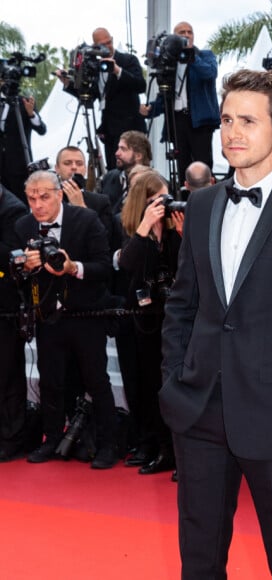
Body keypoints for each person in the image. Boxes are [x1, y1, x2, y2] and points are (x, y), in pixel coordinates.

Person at [160, 69, 272, 579]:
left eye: (248, 121)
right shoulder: (200, 205)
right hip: (197, 408)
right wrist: (174, 380)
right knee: (198, 558)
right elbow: (182, 304)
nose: (232, 133)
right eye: (225, 120)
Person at [13, 170, 118, 469]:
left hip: (87, 314)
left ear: (59, 194)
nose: (37, 205)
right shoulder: (23, 226)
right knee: (51, 382)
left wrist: (73, 267)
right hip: (49, 317)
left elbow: (104, 268)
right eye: (31, 198)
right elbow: (16, 279)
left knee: (96, 380)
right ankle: (51, 439)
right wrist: (26, 268)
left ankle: (108, 445)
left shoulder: (85, 220)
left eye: (44, 197)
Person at [118, 170, 181, 476]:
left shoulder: (174, 231)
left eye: (165, 198)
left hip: (169, 321)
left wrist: (182, 235)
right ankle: (149, 443)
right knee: (140, 385)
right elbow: (126, 265)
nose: (162, 206)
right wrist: (144, 228)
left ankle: (171, 449)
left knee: (165, 388)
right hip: (139, 320)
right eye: (156, 199)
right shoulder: (130, 229)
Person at [55, 27, 146, 171]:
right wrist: (68, 83)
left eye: (109, 42)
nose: (107, 46)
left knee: (134, 171)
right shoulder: (96, 66)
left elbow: (140, 85)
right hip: (109, 129)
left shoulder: (128, 60)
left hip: (130, 129)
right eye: (102, 45)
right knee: (113, 172)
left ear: (113, 40)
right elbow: (90, 96)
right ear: (95, 47)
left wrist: (117, 70)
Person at [140, 21, 220, 184]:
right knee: (182, 165)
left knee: (203, 164)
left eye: (189, 32)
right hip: (177, 121)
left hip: (199, 121)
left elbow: (209, 73)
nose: (186, 35)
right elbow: (165, 95)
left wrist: (191, 56)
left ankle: (207, 199)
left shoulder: (204, 55)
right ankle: (184, 201)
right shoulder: (170, 60)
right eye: (181, 32)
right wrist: (151, 109)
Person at [0, 184, 29, 461]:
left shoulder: (13, 209)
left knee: (8, 375)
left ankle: (12, 439)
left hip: (7, 304)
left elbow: (10, 255)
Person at [54, 145, 113, 241]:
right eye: (67, 163)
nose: (74, 167)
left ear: (85, 169)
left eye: (79, 163)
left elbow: (106, 238)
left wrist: (82, 207)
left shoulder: (101, 202)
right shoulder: (49, 200)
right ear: (57, 168)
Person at [0, 89, 47, 203]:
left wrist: (31, 114)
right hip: (1, 168)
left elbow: (42, 129)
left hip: (19, 166)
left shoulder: (23, 102)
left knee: (21, 204)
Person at [99, 130, 153, 214]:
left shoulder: (156, 183)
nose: (117, 153)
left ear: (138, 156)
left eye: (123, 149)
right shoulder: (109, 178)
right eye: (118, 148)